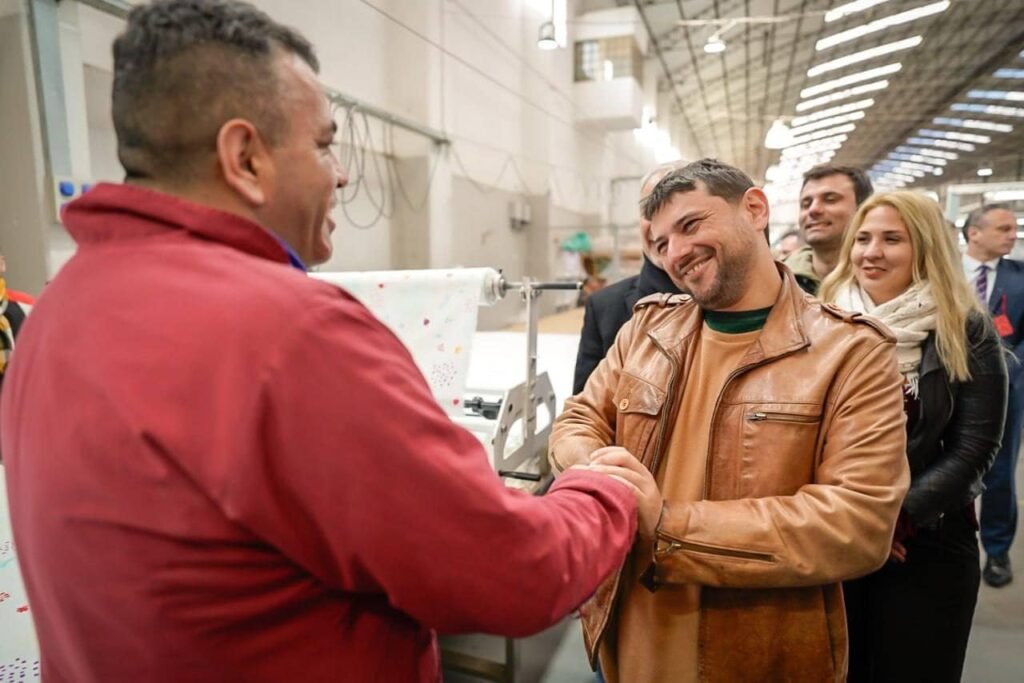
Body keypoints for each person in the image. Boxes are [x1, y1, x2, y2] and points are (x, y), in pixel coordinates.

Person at [0, 2, 644, 681]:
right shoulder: (292, 334)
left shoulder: (57, 311)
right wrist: (601, 491)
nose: (340, 174)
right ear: (245, 158)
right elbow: (515, 573)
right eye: (323, 145)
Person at [550, 158, 910, 682]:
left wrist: (666, 525)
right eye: (661, 242)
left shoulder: (851, 352)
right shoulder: (646, 331)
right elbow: (577, 419)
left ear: (755, 209)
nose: (676, 252)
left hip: (757, 654)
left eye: (691, 224)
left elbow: (857, 524)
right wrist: (603, 476)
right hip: (625, 644)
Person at [821, 192, 1007, 682]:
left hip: (927, 540)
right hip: (831, 537)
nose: (871, 252)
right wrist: (853, 524)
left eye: (891, 239)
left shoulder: (965, 328)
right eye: (862, 239)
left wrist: (895, 520)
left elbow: (975, 448)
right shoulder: (821, 321)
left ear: (925, 248)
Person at [573, 162, 684, 394]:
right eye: (649, 210)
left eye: (678, 212)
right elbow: (584, 405)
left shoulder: (729, 298)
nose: (661, 226)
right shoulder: (605, 307)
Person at [961, 203, 1024, 588]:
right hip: (949, 383)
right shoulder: (945, 271)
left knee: (1000, 473)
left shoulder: (1020, 277)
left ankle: (997, 550)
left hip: (1006, 390)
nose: (1012, 235)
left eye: (1013, 229)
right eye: (1003, 228)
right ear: (974, 233)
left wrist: (1010, 366)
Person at [784, 164, 873, 295]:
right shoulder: (777, 282)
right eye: (806, 204)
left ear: (863, 209)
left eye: (830, 200)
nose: (813, 210)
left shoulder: (885, 283)